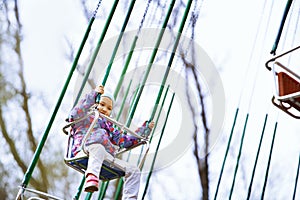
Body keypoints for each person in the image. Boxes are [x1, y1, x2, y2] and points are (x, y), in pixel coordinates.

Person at [68, 85, 155, 199]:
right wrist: (93, 95)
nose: (105, 109)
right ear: (95, 103)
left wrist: (144, 129)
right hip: (85, 149)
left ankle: (130, 198)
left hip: (105, 156)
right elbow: (74, 114)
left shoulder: (110, 126)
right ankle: (91, 177)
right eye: (102, 104)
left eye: (109, 108)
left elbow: (124, 141)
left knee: (134, 170)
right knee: (98, 148)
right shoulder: (86, 116)